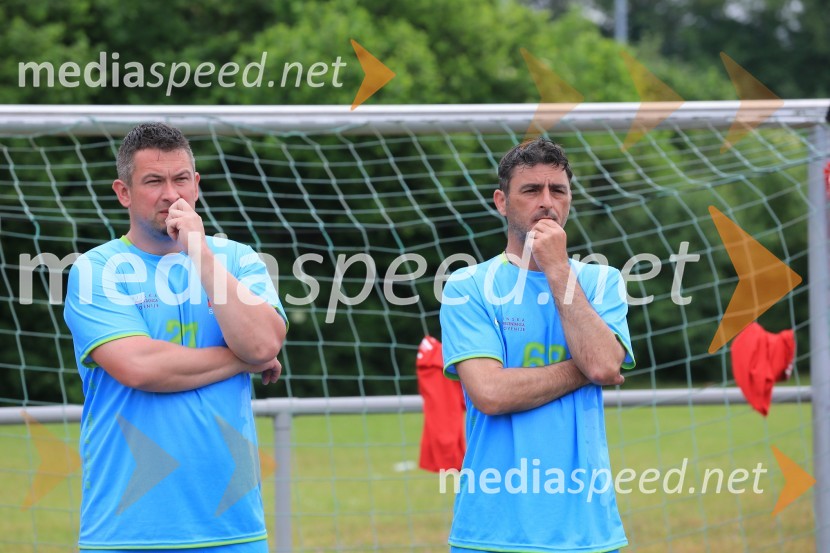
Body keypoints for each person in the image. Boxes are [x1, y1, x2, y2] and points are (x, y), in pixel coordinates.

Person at [63, 122, 288, 553]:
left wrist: (199, 252)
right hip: (128, 531)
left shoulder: (238, 260)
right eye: (154, 181)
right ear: (123, 192)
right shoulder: (95, 270)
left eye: (181, 178)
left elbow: (262, 345)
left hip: (234, 530)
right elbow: (139, 367)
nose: (171, 194)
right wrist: (242, 360)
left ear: (196, 184)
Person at [439, 138, 635, 553]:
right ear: (501, 201)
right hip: (492, 532)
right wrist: (581, 369)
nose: (547, 202)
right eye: (531, 190)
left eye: (557, 190)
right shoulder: (467, 287)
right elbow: (491, 393)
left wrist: (557, 268)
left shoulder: (603, 281)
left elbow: (603, 365)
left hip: (588, 532)